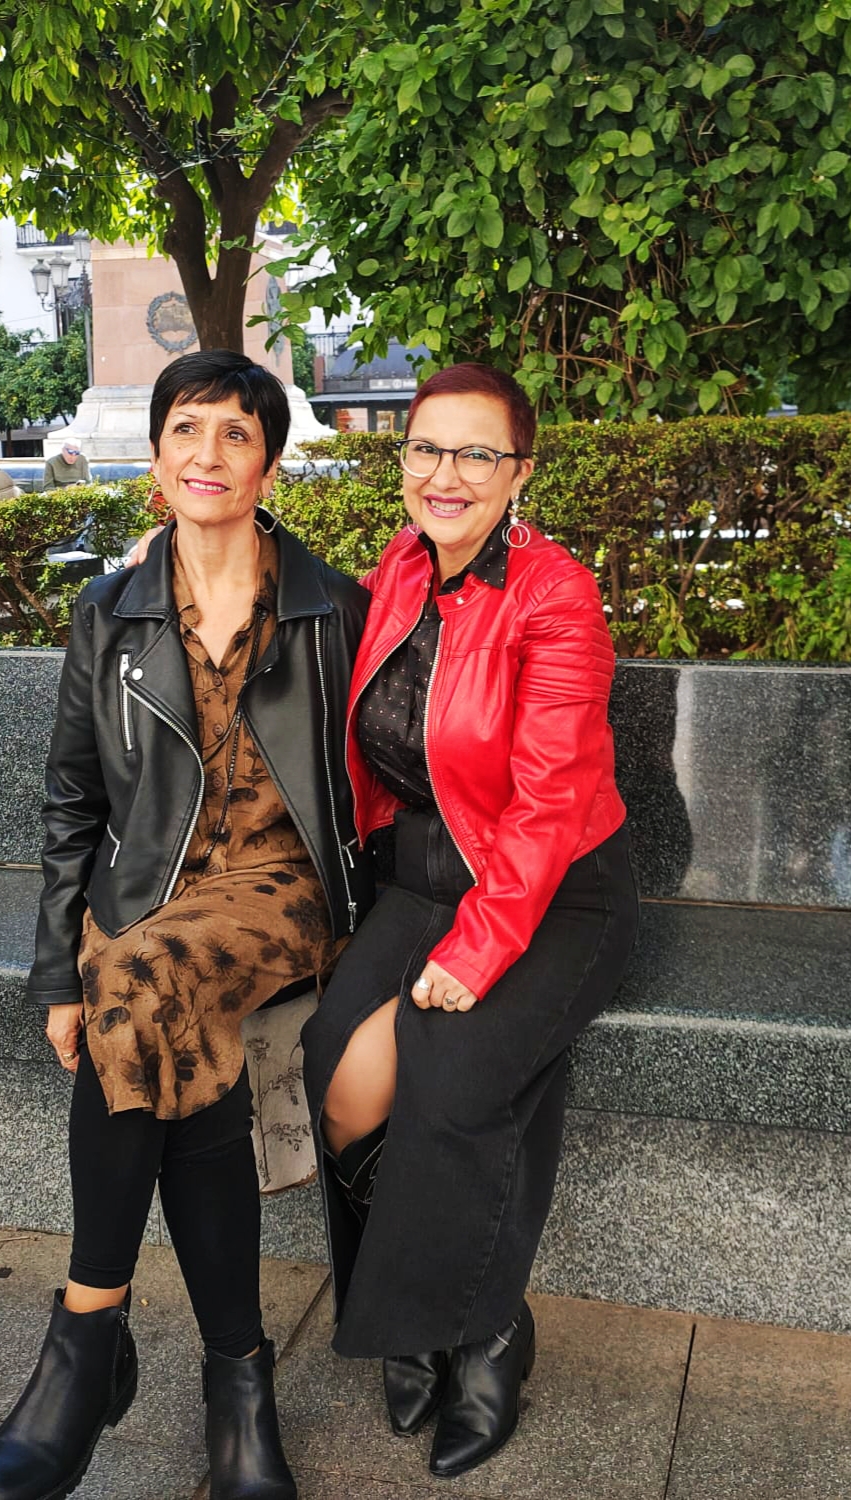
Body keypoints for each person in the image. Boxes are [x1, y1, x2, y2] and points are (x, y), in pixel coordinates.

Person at [0, 350, 372, 1500]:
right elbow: (72, 800)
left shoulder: (330, 604)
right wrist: (58, 970)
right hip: (144, 896)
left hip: (286, 890)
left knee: (138, 990)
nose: (209, 455)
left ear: (269, 463)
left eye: (235, 435)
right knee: (173, 1032)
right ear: (155, 460)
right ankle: (238, 1381)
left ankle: (84, 1346)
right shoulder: (114, 607)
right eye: (187, 432)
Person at [299, 363, 639, 1480]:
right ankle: (413, 1292)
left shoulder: (556, 592)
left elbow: (546, 803)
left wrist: (478, 951)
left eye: (476, 454)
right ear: (401, 462)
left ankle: (479, 1332)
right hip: (424, 874)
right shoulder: (393, 573)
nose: (447, 476)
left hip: (552, 887)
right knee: (337, 1076)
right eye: (425, 451)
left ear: (520, 472)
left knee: (451, 1076)